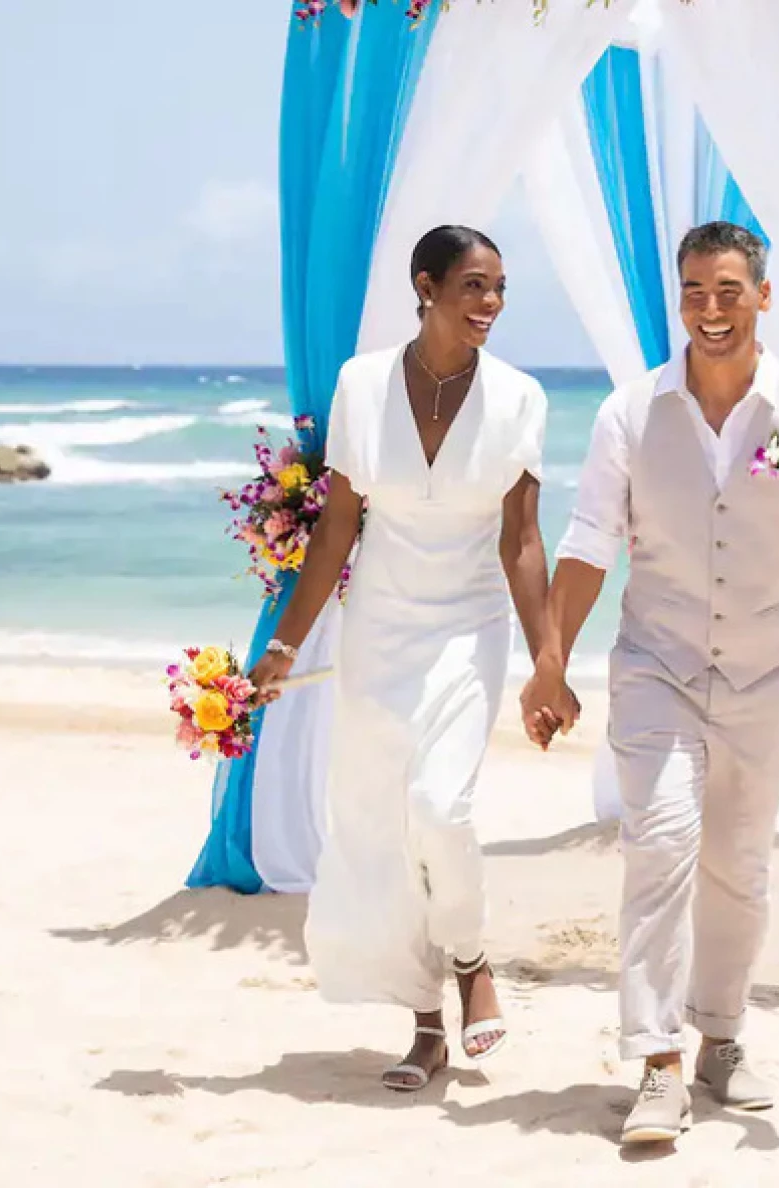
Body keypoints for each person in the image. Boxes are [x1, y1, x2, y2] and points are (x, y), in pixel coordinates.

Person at [520, 221, 779, 1144]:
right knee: (662, 848)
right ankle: (656, 1062)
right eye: (692, 291)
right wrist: (550, 664)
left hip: (766, 677)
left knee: (741, 870)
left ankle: (721, 1035)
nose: (709, 309)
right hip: (656, 668)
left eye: (727, 290)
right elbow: (589, 545)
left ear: (765, 296)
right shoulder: (630, 413)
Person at [247, 225, 554, 1092]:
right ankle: (425, 1025)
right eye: (474, 286)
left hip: (468, 627)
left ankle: (471, 961)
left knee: (440, 807)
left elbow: (523, 541)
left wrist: (548, 660)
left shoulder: (521, 397)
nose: (490, 304)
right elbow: (338, 529)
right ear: (426, 287)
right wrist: (282, 644)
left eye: (500, 289)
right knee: (381, 828)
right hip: (378, 628)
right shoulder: (362, 384)